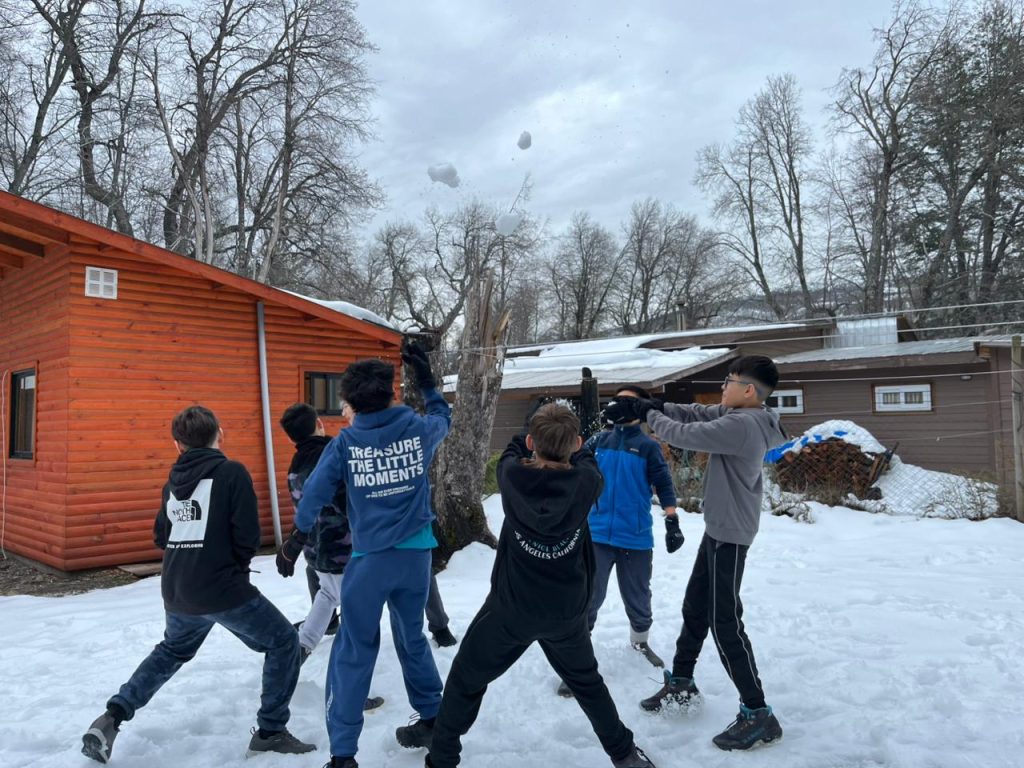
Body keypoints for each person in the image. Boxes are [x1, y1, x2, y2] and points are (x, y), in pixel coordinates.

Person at [399, 403, 657, 768]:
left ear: (532, 442)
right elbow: (585, 458)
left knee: (464, 680)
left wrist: (533, 434)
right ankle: (624, 754)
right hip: (567, 613)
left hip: (511, 612)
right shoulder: (587, 482)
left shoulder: (511, 476)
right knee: (587, 684)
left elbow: (514, 447)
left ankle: (442, 758)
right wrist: (568, 440)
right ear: (577, 443)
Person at [80, 406, 314, 764]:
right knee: (283, 641)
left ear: (177, 445)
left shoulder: (172, 483)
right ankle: (270, 733)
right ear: (220, 434)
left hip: (178, 588)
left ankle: (112, 716)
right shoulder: (231, 472)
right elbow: (248, 536)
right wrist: (233, 567)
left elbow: (162, 536)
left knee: (172, 651)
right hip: (222, 588)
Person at [606, 356, 786, 751]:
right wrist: (652, 405)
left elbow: (685, 435)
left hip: (731, 534)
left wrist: (648, 414)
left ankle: (758, 713)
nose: (723, 386)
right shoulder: (738, 413)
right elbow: (695, 413)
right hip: (719, 528)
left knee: (725, 622)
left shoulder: (743, 425)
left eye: (729, 380)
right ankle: (682, 683)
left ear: (749, 390)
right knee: (695, 608)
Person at [290, 342, 449, 768]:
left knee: (355, 649)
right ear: (390, 393)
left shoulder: (345, 444)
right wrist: (428, 383)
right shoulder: (417, 430)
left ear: (351, 403)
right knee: (412, 636)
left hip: (369, 560)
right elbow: (442, 417)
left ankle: (343, 754)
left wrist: (296, 536)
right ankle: (433, 717)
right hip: (416, 558)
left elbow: (313, 496)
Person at [276, 402, 385, 711]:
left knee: (326, 596)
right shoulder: (333, 456)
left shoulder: (295, 466)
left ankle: (296, 654)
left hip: (316, 551)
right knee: (356, 621)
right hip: (346, 552)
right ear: (320, 425)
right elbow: (352, 502)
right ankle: (350, 692)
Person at [581, 385, 680, 677]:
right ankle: (578, 653)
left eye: (628, 401)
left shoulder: (648, 446)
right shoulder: (599, 441)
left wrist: (672, 520)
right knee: (589, 594)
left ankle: (640, 641)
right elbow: (575, 471)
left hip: (635, 535)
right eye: (617, 400)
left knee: (637, 593)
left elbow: (663, 482)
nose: (619, 405)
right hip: (596, 533)